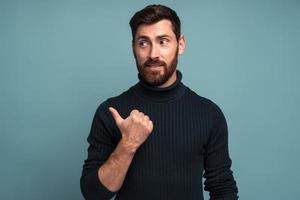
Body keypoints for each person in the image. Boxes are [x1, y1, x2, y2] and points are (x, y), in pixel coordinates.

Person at [80, 4, 238, 200]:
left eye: (163, 41)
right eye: (143, 43)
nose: (153, 54)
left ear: (180, 45)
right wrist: (128, 143)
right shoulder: (111, 111)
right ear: (133, 47)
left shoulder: (209, 113)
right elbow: (94, 194)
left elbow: (223, 189)